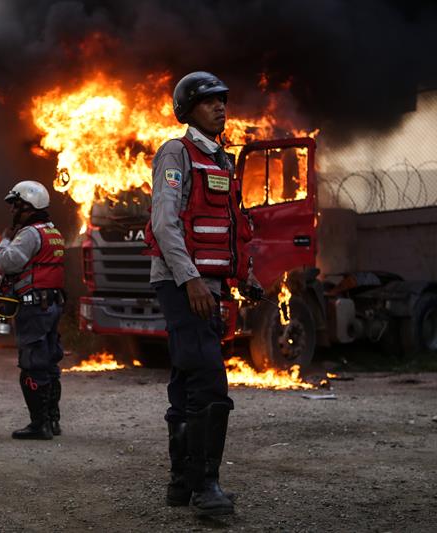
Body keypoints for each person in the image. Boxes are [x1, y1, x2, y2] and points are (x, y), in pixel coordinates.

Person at [144, 71, 260, 516]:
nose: (220, 107)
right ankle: (206, 487)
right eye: (209, 101)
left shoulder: (222, 161)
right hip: (181, 283)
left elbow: (232, 225)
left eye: (222, 100)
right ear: (187, 109)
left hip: (207, 284)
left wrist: (243, 275)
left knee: (187, 380)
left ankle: (181, 484)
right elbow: (165, 222)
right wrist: (190, 279)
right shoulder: (177, 153)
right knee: (209, 382)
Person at [0, 180, 66, 440]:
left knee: (32, 363)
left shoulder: (30, 233)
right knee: (48, 364)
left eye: (16, 205)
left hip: (35, 308)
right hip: (52, 305)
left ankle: (40, 425)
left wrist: (3, 241)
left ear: (29, 205)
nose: (13, 211)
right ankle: (53, 421)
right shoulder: (52, 231)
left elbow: (8, 261)